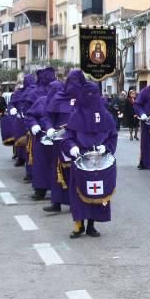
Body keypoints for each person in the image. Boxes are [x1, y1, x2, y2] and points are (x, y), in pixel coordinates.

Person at [62, 81, 118, 239]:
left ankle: (92, 225)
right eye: (88, 95)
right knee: (78, 194)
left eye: (94, 94)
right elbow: (68, 138)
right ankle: (78, 225)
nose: (91, 98)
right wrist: (72, 147)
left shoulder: (105, 115)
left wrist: (106, 148)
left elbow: (112, 136)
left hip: (99, 161)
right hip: (80, 160)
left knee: (97, 193)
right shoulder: (76, 115)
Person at [43, 70, 87, 213]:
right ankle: (56, 202)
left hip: (80, 140)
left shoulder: (88, 97)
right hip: (60, 140)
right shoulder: (58, 97)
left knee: (79, 172)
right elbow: (48, 116)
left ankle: (79, 201)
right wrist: (49, 128)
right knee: (57, 172)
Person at [25, 80, 64, 201]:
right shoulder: (42, 101)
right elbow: (30, 115)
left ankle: (59, 191)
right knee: (41, 165)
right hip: (42, 139)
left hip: (60, 139)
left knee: (58, 166)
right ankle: (40, 190)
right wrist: (33, 125)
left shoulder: (65, 103)